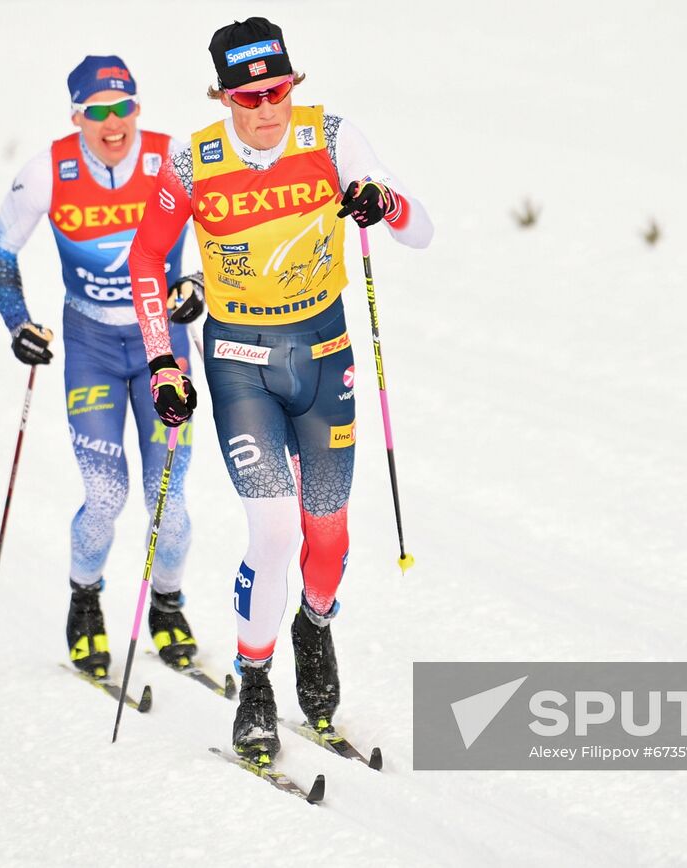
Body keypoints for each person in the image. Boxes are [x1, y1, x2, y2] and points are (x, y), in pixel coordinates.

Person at [127, 18, 433, 762]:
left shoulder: (329, 139)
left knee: (326, 536)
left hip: (325, 358)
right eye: (247, 96)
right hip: (238, 362)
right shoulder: (192, 161)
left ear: (293, 84)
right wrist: (165, 361)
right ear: (223, 96)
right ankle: (256, 679)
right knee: (274, 529)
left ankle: (314, 623)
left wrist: (381, 204)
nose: (266, 110)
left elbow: (419, 229)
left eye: (277, 91)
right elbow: (145, 256)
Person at [0, 55, 206, 680]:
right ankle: (86, 601)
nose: (113, 123)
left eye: (123, 107)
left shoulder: (174, 160)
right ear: (76, 114)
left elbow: (228, 235)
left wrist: (196, 283)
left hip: (164, 344)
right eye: (97, 111)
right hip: (91, 348)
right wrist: (18, 323)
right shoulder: (48, 170)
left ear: (138, 107)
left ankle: (167, 605)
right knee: (106, 496)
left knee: (172, 504)